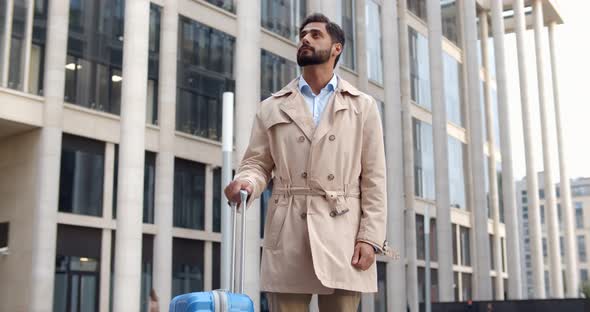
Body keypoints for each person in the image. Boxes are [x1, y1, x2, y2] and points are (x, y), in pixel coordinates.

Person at [224, 13, 389, 312]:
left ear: (336, 48)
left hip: (343, 235)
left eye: (315, 35)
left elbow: (375, 178)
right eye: (302, 35)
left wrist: (370, 238)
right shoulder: (271, 106)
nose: (304, 40)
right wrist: (246, 182)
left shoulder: (362, 106)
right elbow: (257, 163)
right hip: (288, 232)